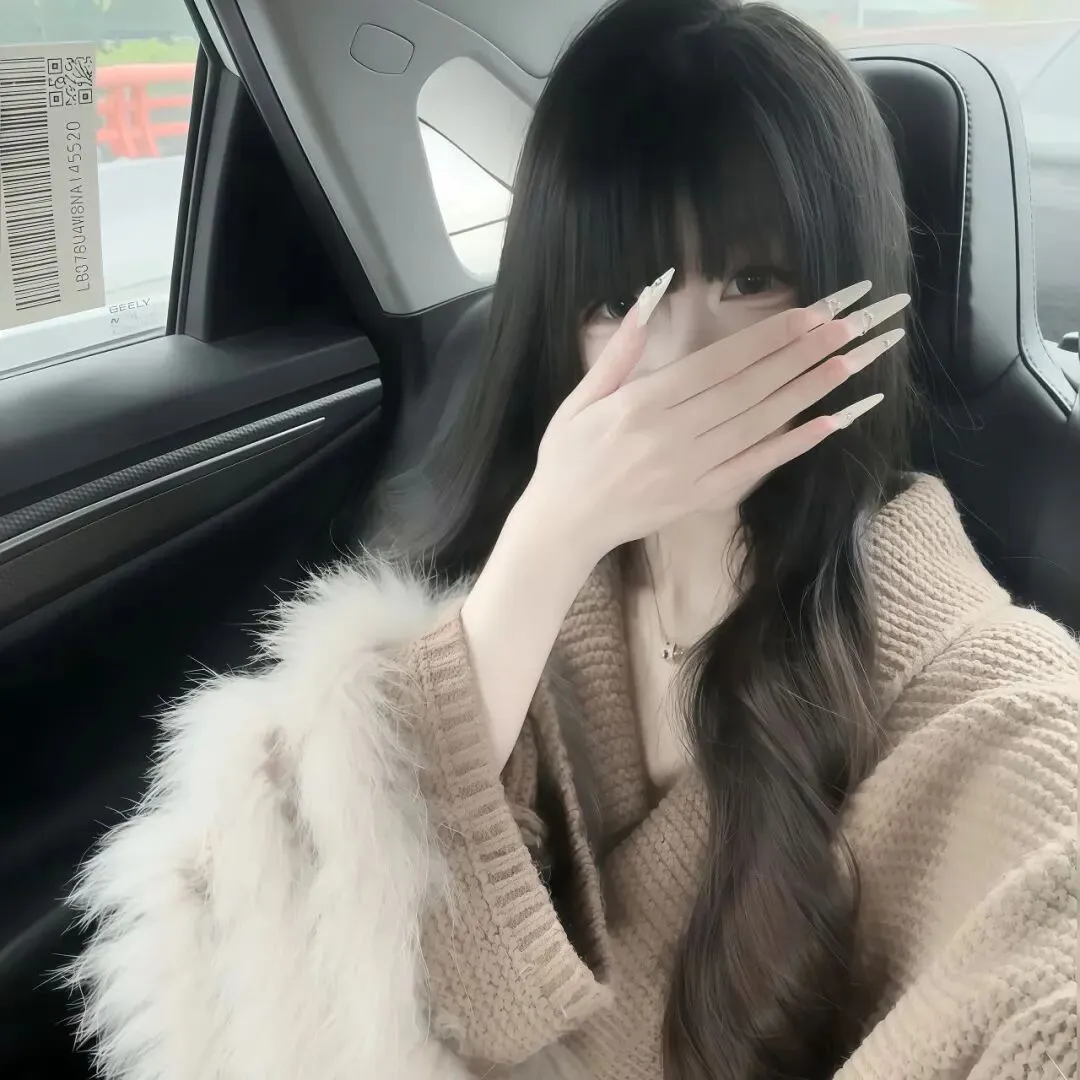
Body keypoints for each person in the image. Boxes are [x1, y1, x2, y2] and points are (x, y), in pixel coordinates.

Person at [69, 1, 1077, 1079]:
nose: (678, 359)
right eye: (616, 299)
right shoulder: (518, 602)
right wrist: (548, 537)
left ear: (850, 292)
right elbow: (291, 938)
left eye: (749, 281)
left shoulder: (967, 675)